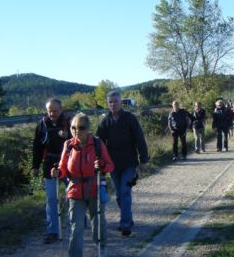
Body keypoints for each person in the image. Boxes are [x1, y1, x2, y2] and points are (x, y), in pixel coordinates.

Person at [51, 113, 114, 257]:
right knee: (76, 227)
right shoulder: (68, 145)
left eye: (81, 127)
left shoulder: (97, 144)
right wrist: (57, 172)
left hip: (94, 189)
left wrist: (102, 165)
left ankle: (101, 249)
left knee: (97, 224)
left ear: (88, 128)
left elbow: (110, 166)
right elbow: (63, 169)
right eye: (73, 127)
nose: (76, 130)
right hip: (75, 191)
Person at [96, 91, 149, 237]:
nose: (113, 104)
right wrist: (99, 162)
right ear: (108, 104)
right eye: (110, 102)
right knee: (119, 195)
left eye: (116, 101)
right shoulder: (104, 121)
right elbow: (99, 143)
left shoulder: (130, 119)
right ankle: (129, 218)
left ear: (121, 103)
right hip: (112, 165)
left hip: (129, 163)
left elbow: (139, 139)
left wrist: (143, 160)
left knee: (125, 191)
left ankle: (125, 224)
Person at [32, 98, 71, 244]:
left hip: (68, 164)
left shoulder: (69, 122)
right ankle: (53, 231)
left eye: (54, 110)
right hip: (49, 164)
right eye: (49, 110)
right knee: (51, 199)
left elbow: (81, 141)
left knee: (74, 195)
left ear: (61, 109)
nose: (52, 113)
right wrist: (35, 166)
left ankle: (78, 222)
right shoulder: (42, 124)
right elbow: (37, 146)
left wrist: (69, 136)